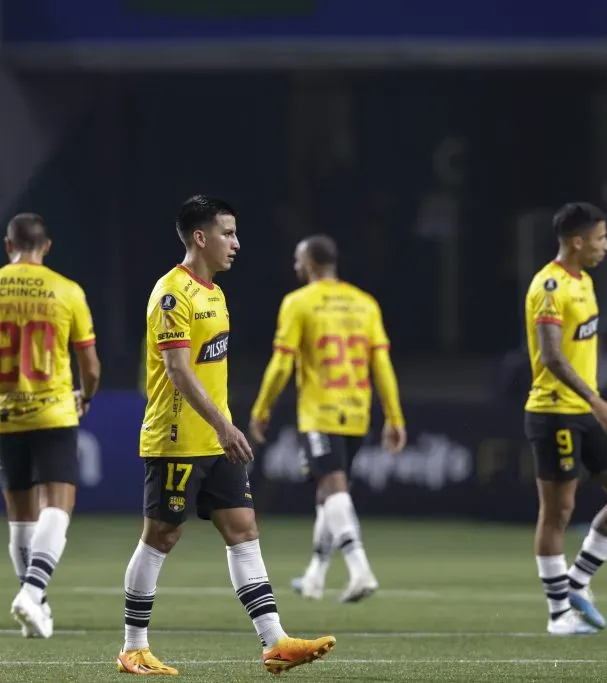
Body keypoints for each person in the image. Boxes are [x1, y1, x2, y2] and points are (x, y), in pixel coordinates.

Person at [116, 195, 336, 677]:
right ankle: (133, 647)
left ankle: (275, 642)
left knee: (244, 532)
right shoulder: (173, 294)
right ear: (201, 237)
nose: (236, 243)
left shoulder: (214, 293)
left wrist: (222, 429)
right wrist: (225, 424)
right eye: (228, 233)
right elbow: (177, 370)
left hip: (218, 441)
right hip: (177, 439)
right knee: (161, 537)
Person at [0, 213, 100, 639]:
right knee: (58, 505)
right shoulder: (67, 290)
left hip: (5, 415)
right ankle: (33, 591)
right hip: (54, 411)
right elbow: (89, 363)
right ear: (47, 247)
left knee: (20, 518)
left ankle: (35, 604)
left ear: (7, 245)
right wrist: (86, 394)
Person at [248, 235, 407, 603]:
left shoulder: (298, 303)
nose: (294, 266)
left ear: (311, 263)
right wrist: (394, 416)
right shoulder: (364, 303)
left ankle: (360, 570)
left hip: (320, 411)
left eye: (297, 260)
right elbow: (381, 365)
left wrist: (261, 408)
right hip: (356, 411)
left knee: (334, 488)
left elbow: (282, 362)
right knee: (329, 492)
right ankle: (315, 576)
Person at [524, 202, 607, 636]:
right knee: (557, 512)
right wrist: (596, 399)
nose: (606, 246)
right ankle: (559, 616)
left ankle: (576, 582)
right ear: (577, 242)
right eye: (600, 239)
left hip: (586, 409)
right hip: (554, 412)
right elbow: (552, 356)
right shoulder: (550, 287)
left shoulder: (586, 282)